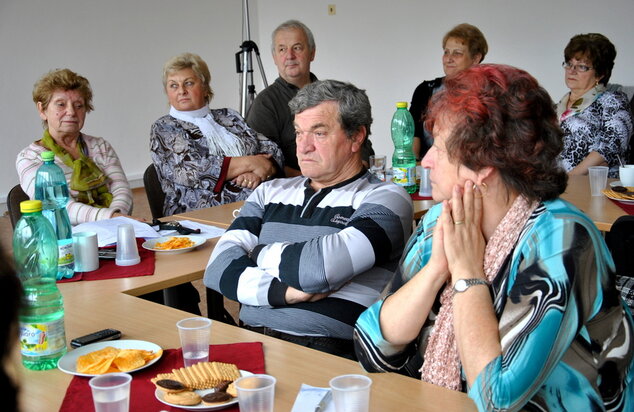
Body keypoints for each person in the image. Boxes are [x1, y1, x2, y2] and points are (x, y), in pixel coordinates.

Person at [354, 64, 634, 411]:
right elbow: (370, 346)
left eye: (438, 149)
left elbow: (496, 399)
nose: (424, 161)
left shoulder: (562, 238)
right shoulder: (443, 220)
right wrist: (439, 268)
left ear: (483, 164)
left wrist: (468, 273)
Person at [205, 80, 413, 359]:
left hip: (326, 350)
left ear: (356, 137)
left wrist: (255, 253)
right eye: (299, 132)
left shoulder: (386, 198)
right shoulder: (269, 192)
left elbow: (317, 269)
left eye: (319, 133)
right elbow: (217, 269)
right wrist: (286, 292)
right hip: (249, 339)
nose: (303, 147)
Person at [150, 52, 283, 217]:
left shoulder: (229, 116)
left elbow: (270, 147)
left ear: (205, 88)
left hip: (254, 194)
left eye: (189, 83)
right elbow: (192, 170)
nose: (182, 91)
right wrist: (251, 162)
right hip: (197, 211)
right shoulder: (164, 127)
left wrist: (259, 171)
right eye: (173, 86)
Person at [246, 20, 373, 177]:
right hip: (297, 190)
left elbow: (362, 141)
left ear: (312, 53)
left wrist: (353, 174)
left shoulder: (334, 95)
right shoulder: (265, 104)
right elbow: (265, 163)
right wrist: (313, 181)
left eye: (297, 48)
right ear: (274, 57)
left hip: (349, 183)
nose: (290, 56)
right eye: (282, 49)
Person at [16, 69, 133, 224]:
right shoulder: (29, 157)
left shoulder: (100, 146)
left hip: (112, 232)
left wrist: (115, 221)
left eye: (79, 105)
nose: (71, 112)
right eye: (61, 105)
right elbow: (59, 206)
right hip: (65, 241)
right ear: (42, 109)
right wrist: (111, 218)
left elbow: (122, 190)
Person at [557, 33, 633, 178]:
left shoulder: (613, 100)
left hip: (591, 187)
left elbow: (610, 146)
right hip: (551, 186)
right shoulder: (556, 107)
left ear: (600, 74)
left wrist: (569, 180)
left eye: (582, 67)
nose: (571, 71)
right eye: (569, 64)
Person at [409, 23, 488, 160]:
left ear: (475, 58)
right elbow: (412, 135)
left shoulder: (489, 93)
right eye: (446, 52)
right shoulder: (425, 90)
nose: (449, 59)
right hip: (428, 170)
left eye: (457, 53)